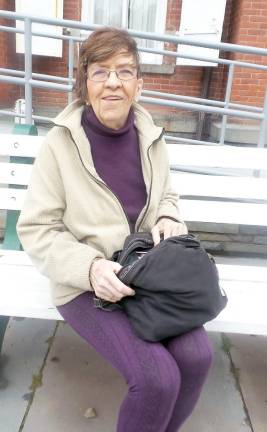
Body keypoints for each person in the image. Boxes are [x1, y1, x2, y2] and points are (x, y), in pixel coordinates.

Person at [17, 27, 213, 432]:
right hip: (86, 283)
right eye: (101, 71)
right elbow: (37, 229)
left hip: (147, 273)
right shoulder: (60, 144)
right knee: (157, 379)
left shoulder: (151, 136)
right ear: (84, 82)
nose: (113, 83)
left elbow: (167, 197)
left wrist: (168, 218)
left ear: (138, 84)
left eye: (124, 72)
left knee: (197, 357)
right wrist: (91, 269)